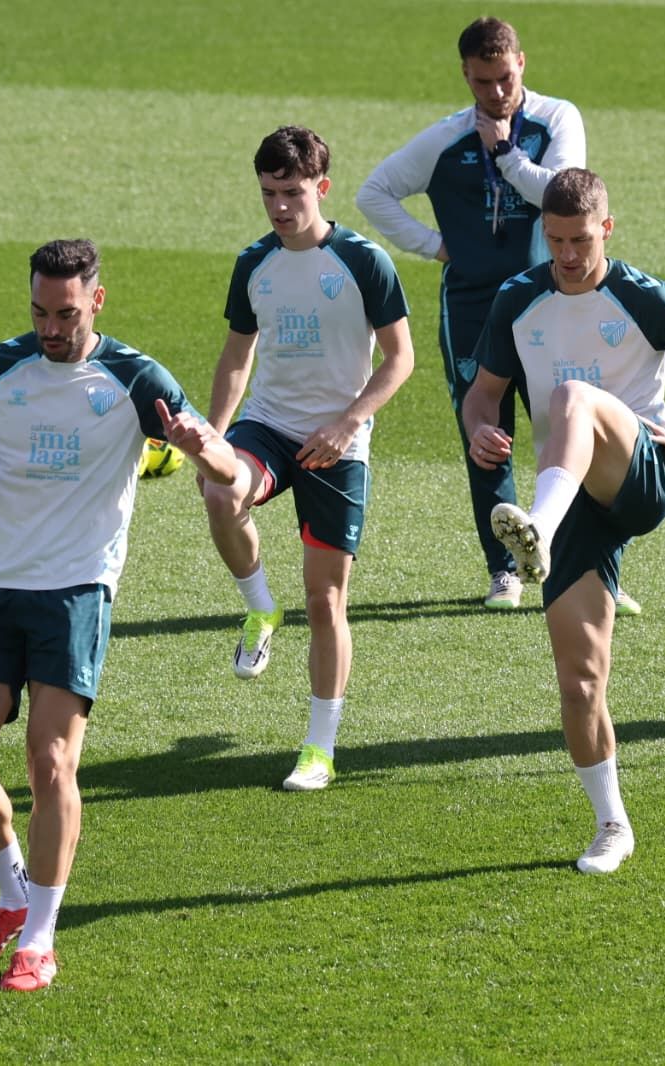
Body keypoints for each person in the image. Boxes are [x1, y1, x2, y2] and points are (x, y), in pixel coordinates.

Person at [0, 239, 238, 991]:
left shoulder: (136, 377)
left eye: (66, 314)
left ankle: (40, 938)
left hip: (75, 592)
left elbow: (230, 468)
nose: (50, 328)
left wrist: (201, 449)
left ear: (96, 301)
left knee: (51, 763)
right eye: (40, 311)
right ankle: (13, 893)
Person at [464, 168, 665, 873]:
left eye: (582, 240)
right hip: (571, 500)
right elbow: (483, 393)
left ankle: (537, 527)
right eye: (556, 240)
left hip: (640, 478)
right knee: (580, 682)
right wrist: (479, 429)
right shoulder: (517, 299)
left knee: (573, 396)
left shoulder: (641, 295)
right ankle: (612, 825)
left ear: (607, 229)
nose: (568, 255)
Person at [360, 17, 644, 616]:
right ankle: (505, 569)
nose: (495, 92)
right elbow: (374, 193)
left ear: (522, 64)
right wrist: (438, 247)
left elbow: (560, 194)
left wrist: (505, 154)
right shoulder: (445, 138)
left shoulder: (556, 119)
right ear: (465, 74)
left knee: (572, 433)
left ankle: (594, 569)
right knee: (484, 435)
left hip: (551, 303)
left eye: (505, 78)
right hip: (472, 305)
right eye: (482, 81)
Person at [203, 126, 414, 791]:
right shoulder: (254, 263)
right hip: (268, 425)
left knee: (325, 602)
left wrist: (348, 424)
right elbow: (237, 355)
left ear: (321, 187)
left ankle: (319, 749)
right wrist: (213, 436)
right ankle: (260, 607)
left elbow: (401, 358)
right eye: (269, 193)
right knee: (220, 492)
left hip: (338, 442)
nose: (280, 206)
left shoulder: (364, 261)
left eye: (292, 192)